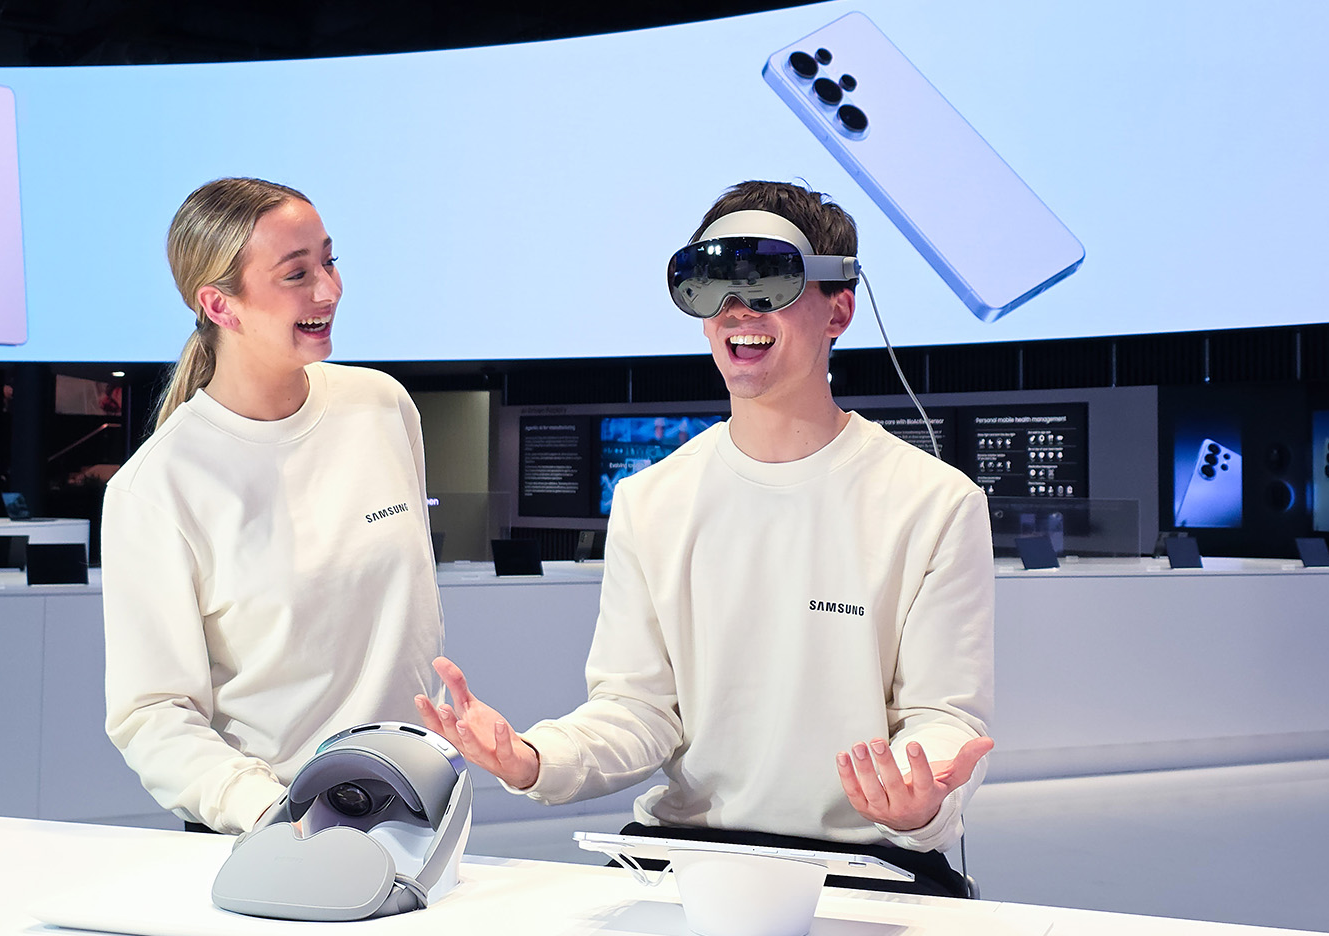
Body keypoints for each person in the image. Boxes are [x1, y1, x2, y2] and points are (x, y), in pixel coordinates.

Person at [416, 180, 994, 896]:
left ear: (838, 308)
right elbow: (638, 710)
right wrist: (535, 759)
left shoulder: (932, 503)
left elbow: (942, 716)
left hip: (867, 869)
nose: (736, 312)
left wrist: (921, 801)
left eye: (767, 283)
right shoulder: (653, 499)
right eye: (708, 286)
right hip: (685, 860)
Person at [102, 177, 442, 835]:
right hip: (269, 828)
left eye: (329, 260)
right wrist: (269, 814)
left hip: (415, 806)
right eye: (296, 273)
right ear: (220, 306)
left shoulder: (380, 405)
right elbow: (152, 711)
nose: (329, 290)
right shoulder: (158, 486)